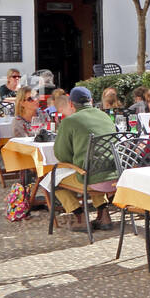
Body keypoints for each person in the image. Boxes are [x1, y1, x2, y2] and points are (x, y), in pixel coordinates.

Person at [51, 86, 116, 231]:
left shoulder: (70, 121)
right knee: (93, 167)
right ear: (91, 101)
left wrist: (75, 159)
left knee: (53, 181)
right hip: (114, 179)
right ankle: (103, 215)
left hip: (91, 180)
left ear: (71, 104)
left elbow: (61, 155)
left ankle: (79, 216)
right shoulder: (105, 116)